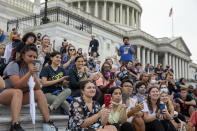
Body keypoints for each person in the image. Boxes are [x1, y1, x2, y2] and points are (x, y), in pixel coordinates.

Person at [2, 44, 57, 131]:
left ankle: (48, 122)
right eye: (30, 56)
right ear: (23, 55)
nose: (33, 59)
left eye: (35, 57)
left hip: (20, 96)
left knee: (39, 93)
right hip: (4, 93)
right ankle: (14, 125)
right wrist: (29, 73)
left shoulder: (33, 68)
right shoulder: (14, 65)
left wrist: (33, 73)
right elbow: (16, 85)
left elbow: (38, 88)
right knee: (17, 91)